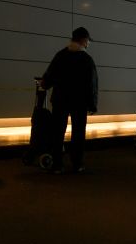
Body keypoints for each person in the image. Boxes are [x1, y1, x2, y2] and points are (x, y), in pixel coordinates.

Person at [42, 27, 98, 174]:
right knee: (78, 133)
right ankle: (77, 163)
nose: (88, 44)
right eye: (87, 41)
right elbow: (92, 84)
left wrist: (45, 84)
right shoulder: (86, 59)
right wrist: (92, 104)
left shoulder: (60, 55)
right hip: (79, 102)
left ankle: (57, 165)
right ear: (83, 41)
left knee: (58, 132)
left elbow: (49, 76)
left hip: (60, 100)